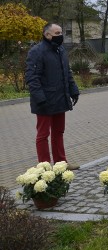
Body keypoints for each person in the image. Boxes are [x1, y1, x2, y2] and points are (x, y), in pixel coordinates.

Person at [25, 23, 80, 169]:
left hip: (60, 98)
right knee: (43, 135)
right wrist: (40, 98)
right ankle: (44, 167)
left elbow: (67, 72)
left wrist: (73, 90)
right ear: (47, 34)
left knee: (58, 132)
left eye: (61, 32)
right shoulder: (37, 51)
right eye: (57, 32)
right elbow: (32, 77)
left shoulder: (60, 50)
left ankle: (61, 163)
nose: (60, 35)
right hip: (44, 100)